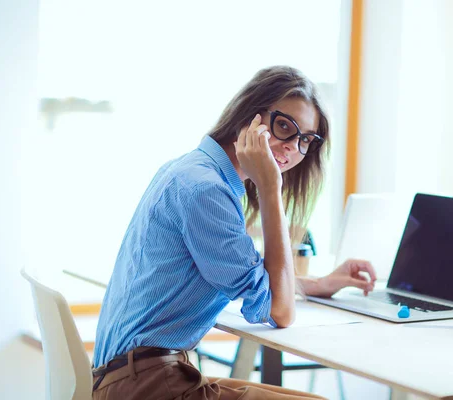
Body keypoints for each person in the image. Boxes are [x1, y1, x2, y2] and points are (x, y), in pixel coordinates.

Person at [92, 66, 377, 400]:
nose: (291, 147)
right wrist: (271, 188)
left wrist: (321, 283)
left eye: (305, 140)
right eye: (284, 126)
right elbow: (280, 311)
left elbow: (253, 281)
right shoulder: (206, 190)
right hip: (145, 386)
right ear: (249, 115)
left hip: (141, 376)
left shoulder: (192, 170)